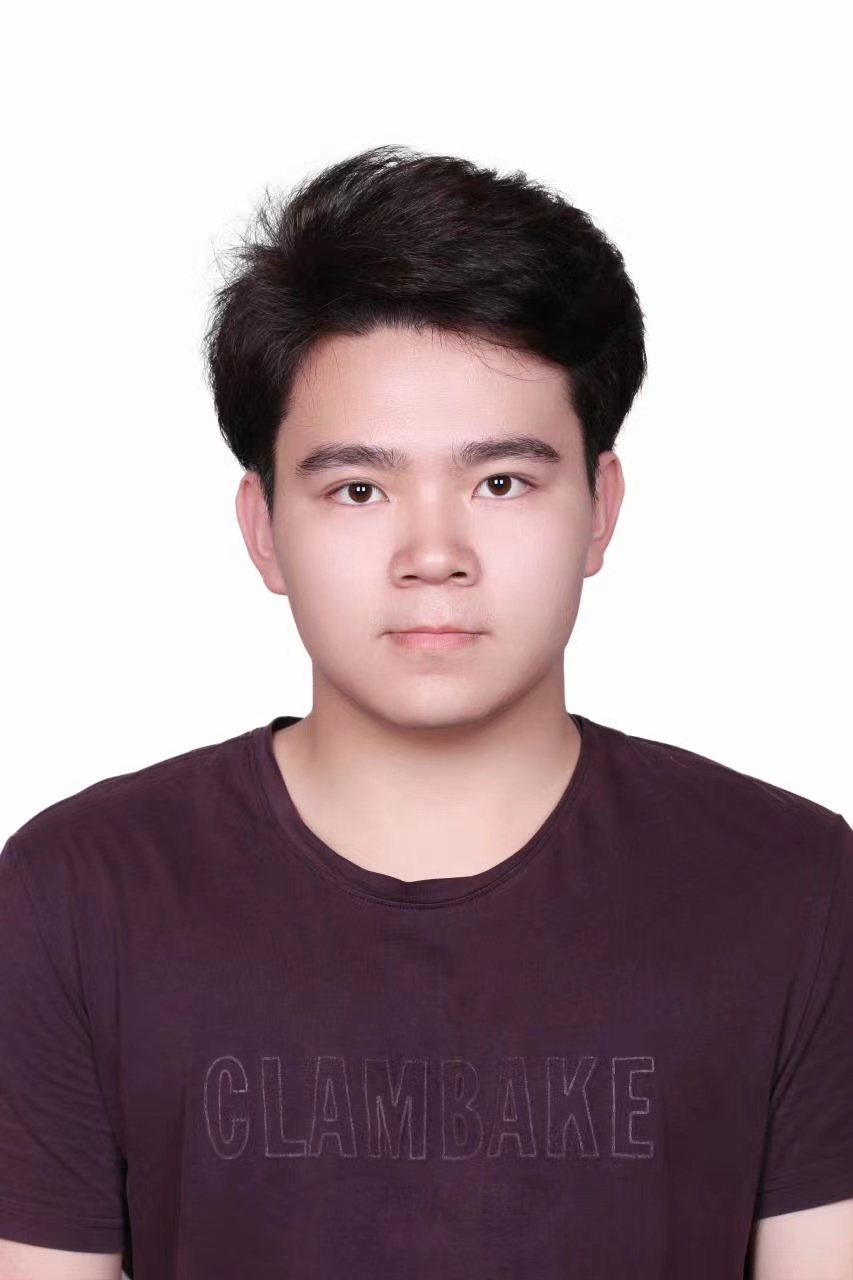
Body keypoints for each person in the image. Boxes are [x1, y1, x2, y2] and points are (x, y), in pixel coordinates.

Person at [0, 144, 851, 1280]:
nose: (434, 553)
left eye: (501, 481)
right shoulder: (79, 892)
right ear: (263, 529)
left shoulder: (793, 887)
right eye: (358, 488)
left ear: (600, 509)